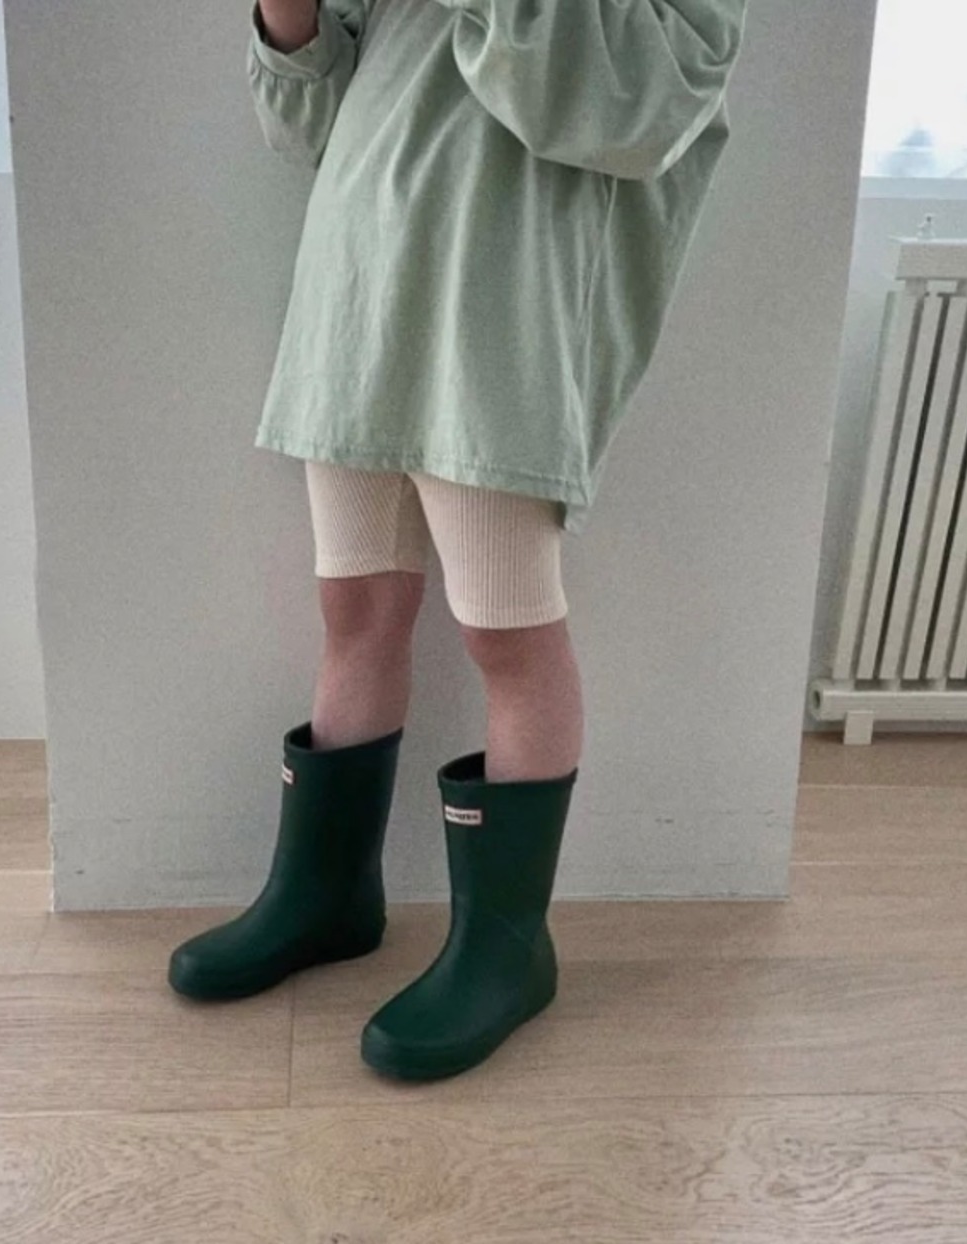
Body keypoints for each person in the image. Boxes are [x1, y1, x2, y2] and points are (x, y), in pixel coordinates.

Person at [169, 0, 746, 1081]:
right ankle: (325, 892)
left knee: (507, 635)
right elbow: (307, 126)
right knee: (355, 609)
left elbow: (630, 110)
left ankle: (506, 947)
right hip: (357, 300)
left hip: (498, 323)